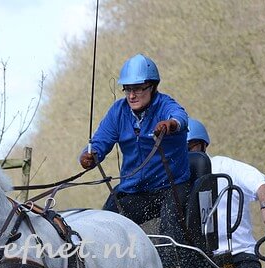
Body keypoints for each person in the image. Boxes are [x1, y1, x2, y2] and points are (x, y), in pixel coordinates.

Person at [79, 53, 191, 242]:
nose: (131, 95)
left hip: (171, 187)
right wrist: (88, 155)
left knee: (171, 231)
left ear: (152, 86)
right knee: (103, 227)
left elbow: (180, 117)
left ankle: (176, 258)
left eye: (138, 89)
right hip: (134, 190)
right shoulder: (118, 111)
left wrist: (171, 124)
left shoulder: (165, 105)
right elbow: (100, 141)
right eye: (128, 89)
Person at [187, 118, 265, 268]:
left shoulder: (226, 167)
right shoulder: (172, 180)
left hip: (237, 255)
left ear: (203, 145)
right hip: (197, 262)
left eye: (190, 147)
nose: (186, 154)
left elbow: (261, 184)